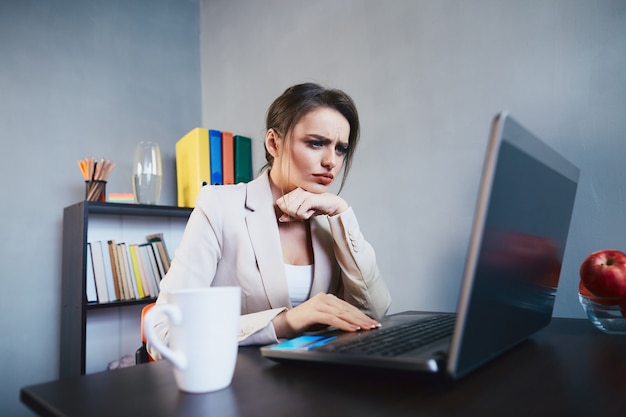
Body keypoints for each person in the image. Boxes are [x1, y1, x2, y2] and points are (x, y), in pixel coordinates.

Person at [148, 82, 391, 357]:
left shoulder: (329, 222)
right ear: (274, 143)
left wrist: (342, 213)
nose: (330, 162)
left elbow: (372, 313)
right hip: (240, 384)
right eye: (315, 143)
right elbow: (163, 331)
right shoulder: (219, 206)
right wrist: (284, 322)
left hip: (317, 384)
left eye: (340, 149)